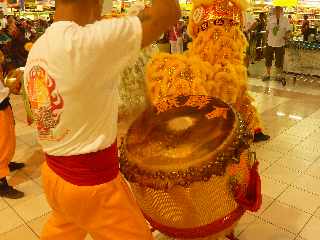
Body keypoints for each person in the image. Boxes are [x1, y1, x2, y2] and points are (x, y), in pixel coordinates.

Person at [24, 0, 180, 239]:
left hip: (54, 177)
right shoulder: (86, 42)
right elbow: (167, 13)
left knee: (64, 227)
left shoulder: (40, 47)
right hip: (91, 186)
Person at [0, 73, 25, 199]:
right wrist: (10, 87)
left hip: (3, 105)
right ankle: (1, 183)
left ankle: (6, 163)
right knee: (2, 144)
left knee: (8, 139)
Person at [263, 6, 291, 83]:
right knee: (268, 58)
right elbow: (267, 30)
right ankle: (267, 73)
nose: (277, 11)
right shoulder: (270, 18)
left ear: (281, 10)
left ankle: (278, 74)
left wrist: (287, 36)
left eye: (279, 9)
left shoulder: (285, 19)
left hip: (280, 43)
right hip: (270, 42)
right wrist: (265, 40)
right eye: (276, 9)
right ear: (274, 10)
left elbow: (288, 30)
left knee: (279, 59)